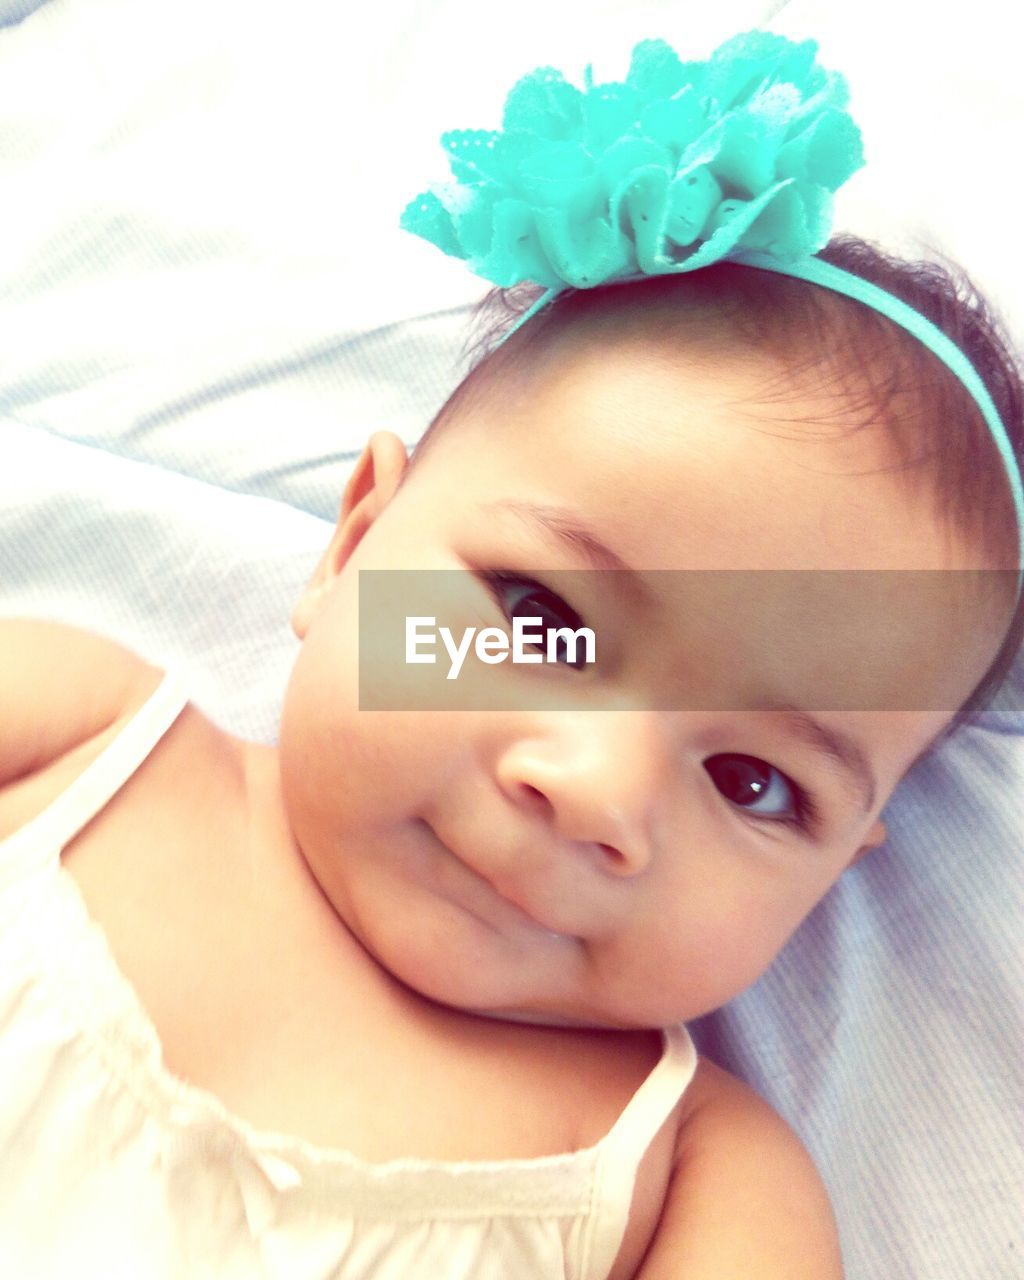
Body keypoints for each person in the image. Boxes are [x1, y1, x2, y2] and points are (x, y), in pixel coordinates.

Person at [1, 29, 1021, 1280]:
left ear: (843, 858)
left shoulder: (698, 1180)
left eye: (754, 781)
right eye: (541, 617)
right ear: (356, 543)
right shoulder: (83, 734)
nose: (596, 789)